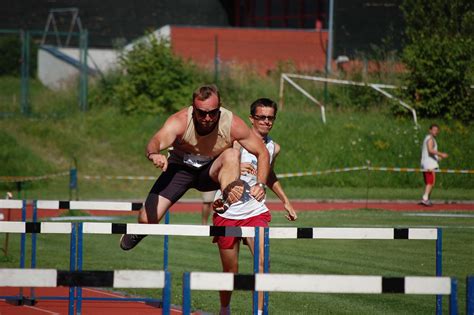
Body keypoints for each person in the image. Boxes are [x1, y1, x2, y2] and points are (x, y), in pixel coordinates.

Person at [120, 84, 270, 250]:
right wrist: (154, 153)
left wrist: (261, 183)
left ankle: (226, 198)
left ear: (219, 108)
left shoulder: (232, 123)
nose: (207, 118)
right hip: (180, 169)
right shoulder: (180, 120)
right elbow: (157, 140)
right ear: (193, 109)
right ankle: (141, 229)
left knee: (232, 154)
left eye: (212, 113)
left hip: (211, 171)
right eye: (202, 113)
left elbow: (262, 152)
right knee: (147, 219)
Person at [213, 98, 297, 315]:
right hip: (228, 211)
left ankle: (259, 312)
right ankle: (225, 308)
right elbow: (215, 164)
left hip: (255, 210)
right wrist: (236, 167)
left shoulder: (273, 148)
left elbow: (269, 175)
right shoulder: (235, 141)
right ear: (252, 118)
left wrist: (285, 200)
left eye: (271, 118)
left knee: (262, 263)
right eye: (262, 117)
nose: (266, 122)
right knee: (231, 270)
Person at [420, 124, 448, 206]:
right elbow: (430, 150)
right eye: (434, 130)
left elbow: (429, 152)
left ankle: (426, 198)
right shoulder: (430, 139)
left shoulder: (428, 138)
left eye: (437, 130)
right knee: (430, 182)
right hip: (429, 164)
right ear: (430, 130)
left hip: (427, 163)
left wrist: (437, 157)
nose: (436, 132)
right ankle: (425, 198)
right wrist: (441, 154)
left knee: (430, 182)